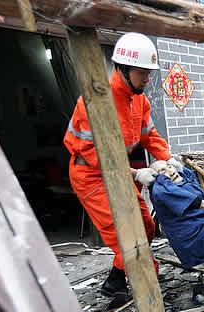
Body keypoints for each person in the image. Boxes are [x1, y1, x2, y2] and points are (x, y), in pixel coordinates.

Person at [64, 32, 183, 298]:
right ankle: (149, 289)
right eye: (142, 73)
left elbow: (148, 134)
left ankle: (115, 283)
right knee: (127, 237)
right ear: (123, 69)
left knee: (146, 227)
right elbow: (94, 154)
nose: (147, 79)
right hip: (91, 175)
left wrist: (167, 157)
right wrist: (136, 173)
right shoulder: (95, 103)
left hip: (120, 173)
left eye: (148, 73)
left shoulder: (138, 99)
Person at [139, 160, 204, 269]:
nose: (170, 171)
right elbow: (162, 188)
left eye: (169, 166)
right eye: (162, 171)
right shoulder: (160, 191)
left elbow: (186, 173)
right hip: (201, 239)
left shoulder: (184, 181)